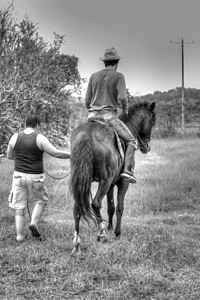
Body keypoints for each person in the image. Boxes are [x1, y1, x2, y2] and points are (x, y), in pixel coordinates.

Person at [7, 114, 70, 242]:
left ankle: (19, 236)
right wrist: (72, 155)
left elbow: (9, 156)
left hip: (19, 176)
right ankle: (33, 222)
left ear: (25, 123)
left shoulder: (14, 137)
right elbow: (55, 152)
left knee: (19, 207)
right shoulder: (39, 137)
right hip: (36, 176)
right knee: (41, 200)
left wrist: (22, 157)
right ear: (37, 125)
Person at [85, 47, 137, 183]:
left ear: (104, 62)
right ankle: (127, 171)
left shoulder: (93, 76)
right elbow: (123, 98)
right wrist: (125, 111)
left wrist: (91, 111)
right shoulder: (119, 76)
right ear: (117, 62)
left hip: (91, 117)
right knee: (132, 141)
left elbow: (87, 100)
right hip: (108, 116)